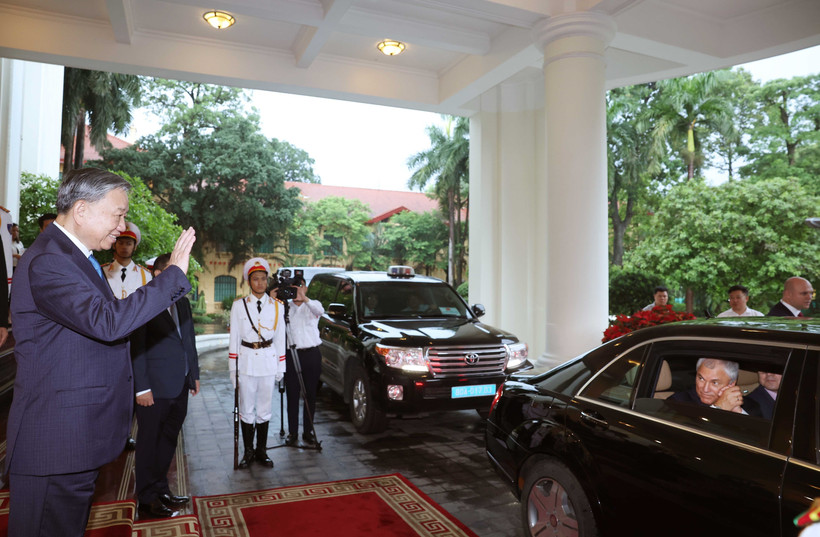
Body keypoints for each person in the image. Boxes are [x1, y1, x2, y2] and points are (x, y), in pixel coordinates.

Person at [5, 167, 196, 537]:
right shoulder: (50, 260)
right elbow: (108, 322)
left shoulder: (75, 257)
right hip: (55, 442)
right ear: (81, 210)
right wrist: (172, 276)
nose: (123, 226)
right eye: (118, 214)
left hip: (72, 439)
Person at [131, 253, 200, 519]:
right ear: (159, 275)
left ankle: (161, 488)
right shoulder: (144, 300)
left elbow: (189, 339)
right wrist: (141, 388)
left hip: (180, 384)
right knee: (149, 442)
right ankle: (146, 498)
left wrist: (193, 373)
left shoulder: (181, 302)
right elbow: (137, 348)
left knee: (169, 439)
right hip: (153, 388)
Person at [229, 257, 285, 469]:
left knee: (264, 409)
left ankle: (262, 451)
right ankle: (248, 452)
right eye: (255, 279)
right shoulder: (239, 306)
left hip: (268, 364)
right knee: (246, 409)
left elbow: (281, 339)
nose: (260, 283)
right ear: (249, 281)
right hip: (246, 364)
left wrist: (281, 367)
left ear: (267, 281)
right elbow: (234, 339)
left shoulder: (277, 307)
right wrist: (232, 371)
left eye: (263, 279)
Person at [282, 274, 324, 446]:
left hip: (312, 354)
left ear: (306, 288)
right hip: (292, 355)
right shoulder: (285, 307)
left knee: (310, 394)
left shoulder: (313, 305)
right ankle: (293, 432)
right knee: (292, 394)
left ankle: (308, 431)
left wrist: (304, 298)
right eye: (295, 287)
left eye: (301, 286)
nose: (298, 290)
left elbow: (319, 312)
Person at [669, 358, 761, 416]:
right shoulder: (678, 402)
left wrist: (738, 412)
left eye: (714, 383)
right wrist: (718, 409)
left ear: (731, 384)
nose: (705, 389)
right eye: (701, 378)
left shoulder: (750, 406)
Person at [103, 221, 152, 299]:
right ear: (114, 245)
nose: (124, 247)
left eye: (129, 244)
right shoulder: (102, 272)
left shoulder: (145, 275)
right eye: (120, 243)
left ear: (135, 247)